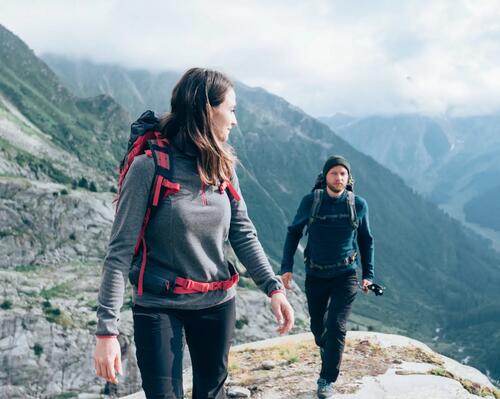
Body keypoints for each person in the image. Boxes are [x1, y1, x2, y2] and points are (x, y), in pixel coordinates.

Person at [93, 68, 294, 399]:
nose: (235, 120)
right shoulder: (148, 167)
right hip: (159, 304)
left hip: (216, 302)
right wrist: (106, 333)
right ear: (206, 109)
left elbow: (242, 232)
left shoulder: (223, 166)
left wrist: (274, 289)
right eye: (231, 109)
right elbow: (119, 254)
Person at [280, 155, 374, 399]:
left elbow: (366, 240)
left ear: (348, 178)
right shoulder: (311, 202)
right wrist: (286, 267)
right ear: (325, 177)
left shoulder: (358, 204)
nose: (339, 178)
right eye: (334, 173)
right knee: (318, 328)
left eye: (343, 174)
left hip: (346, 274)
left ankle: (326, 380)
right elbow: (293, 234)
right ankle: (327, 347)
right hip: (316, 274)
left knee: (336, 326)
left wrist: (368, 275)